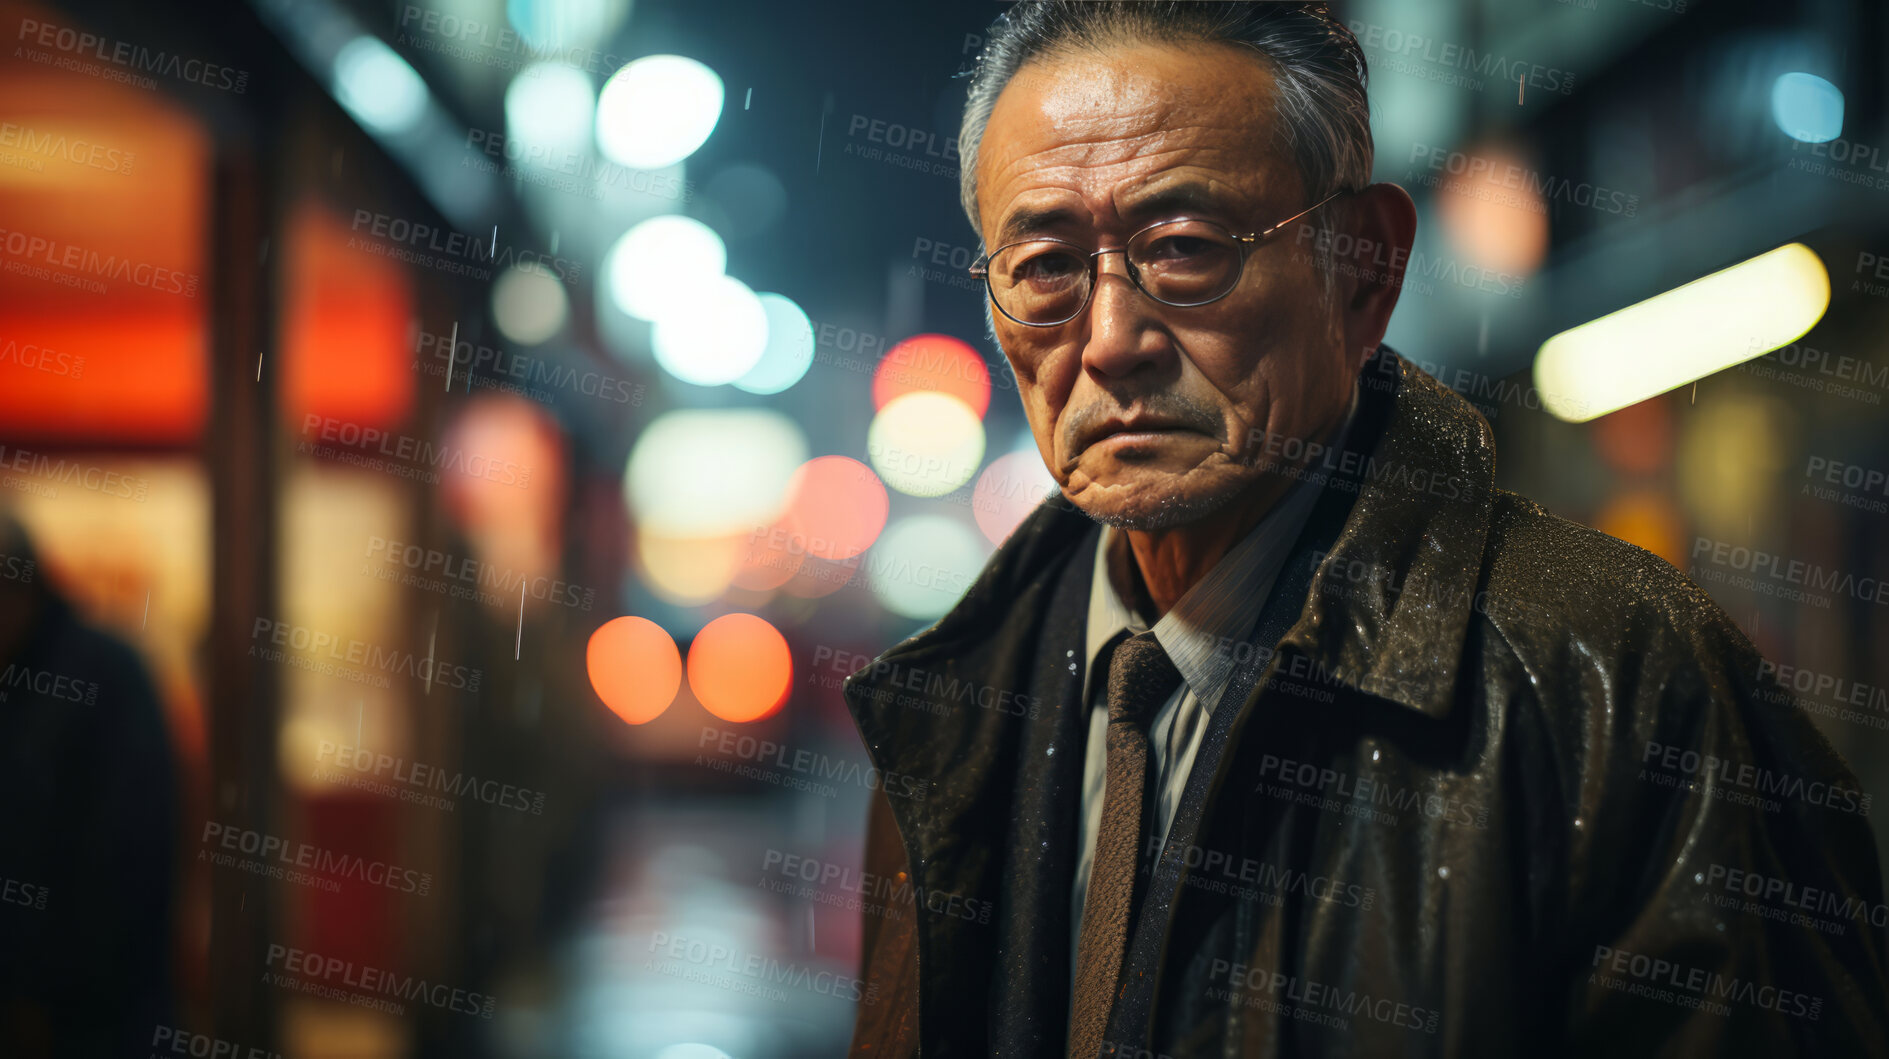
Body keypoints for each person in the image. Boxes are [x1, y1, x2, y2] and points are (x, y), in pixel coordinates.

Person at [840, 3, 1889, 1056]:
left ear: (1362, 269)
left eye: (1185, 248)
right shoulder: (952, 710)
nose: (1109, 340)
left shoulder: (1616, 685)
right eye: (1044, 268)